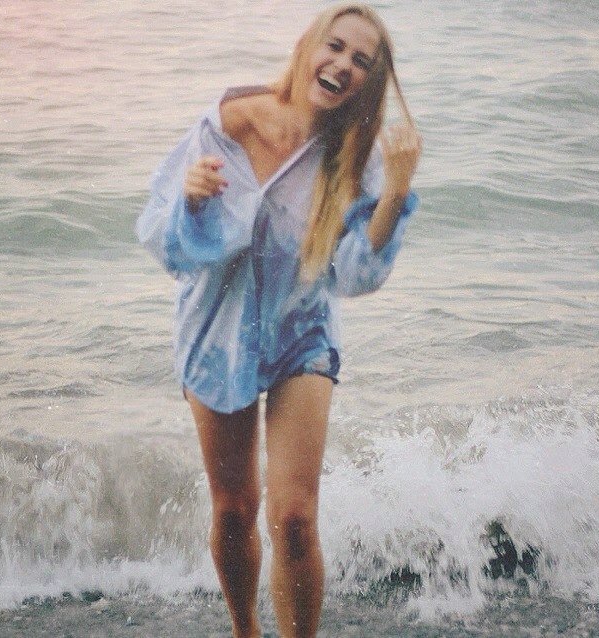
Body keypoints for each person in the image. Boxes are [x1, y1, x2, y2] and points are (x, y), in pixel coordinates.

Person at [136, 4, 421, 636]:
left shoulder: (355, 156)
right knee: (235, 509)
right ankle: (246, 629)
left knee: (294, 518)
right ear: (308, 45)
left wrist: (396, 194)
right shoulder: (230, 119)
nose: (343, 65)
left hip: (302, 332)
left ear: (370, 80)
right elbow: (162, 240)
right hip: (218, 330)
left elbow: (354, 276)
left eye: (361, 61)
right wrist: (189, 198)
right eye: (335, 46)